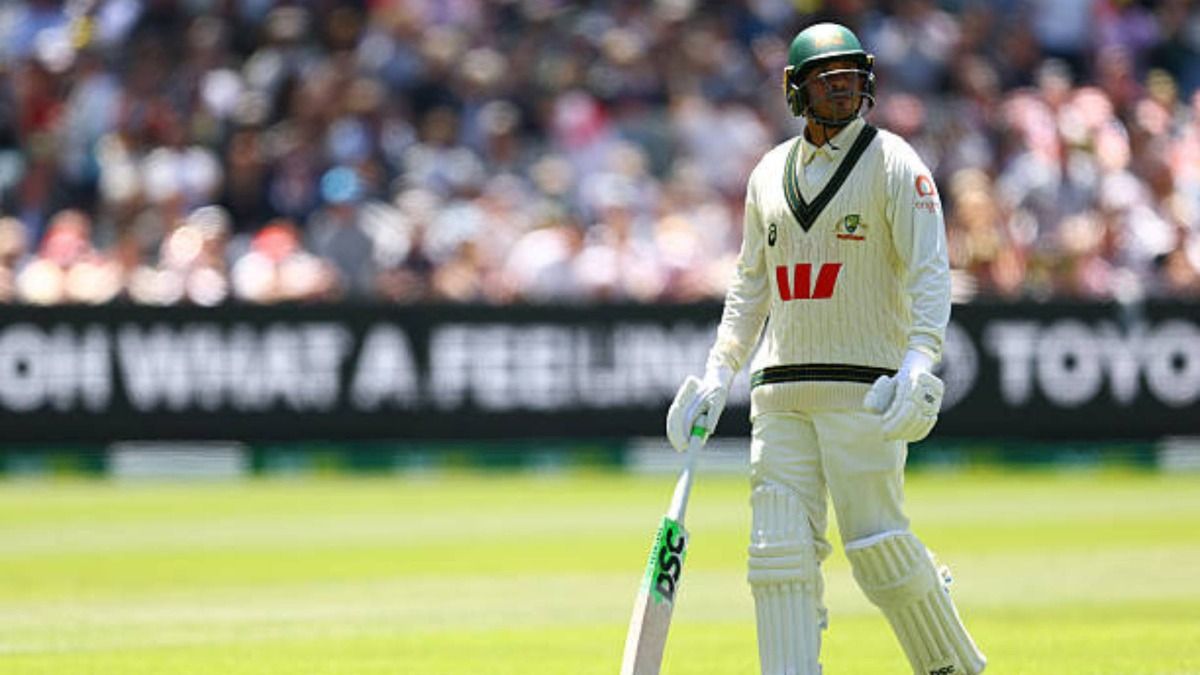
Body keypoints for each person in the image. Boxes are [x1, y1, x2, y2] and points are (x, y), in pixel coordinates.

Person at [666, 22, 986, 675]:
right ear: (795, 90)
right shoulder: (766, 175)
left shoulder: (896, 163)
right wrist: (717, 371)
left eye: (850, 80)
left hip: (863, 390)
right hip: (778, 394)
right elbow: (748, 290)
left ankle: (951, 664)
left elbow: (930, 272)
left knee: (877, 551)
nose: (842, 93)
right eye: (827, 81)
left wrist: (921, 357)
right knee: (776, 553)